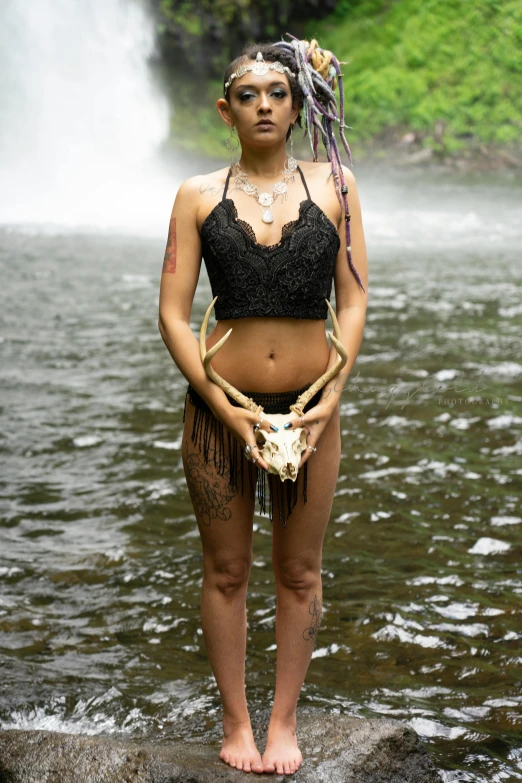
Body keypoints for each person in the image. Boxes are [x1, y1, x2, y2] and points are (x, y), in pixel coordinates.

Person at [158, 34, 368, 777]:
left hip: (313, 408)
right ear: (226, 109)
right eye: (247, 96)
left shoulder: (335, 187)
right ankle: (236, 721)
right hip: (220, 412)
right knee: (225, 571)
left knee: (300, 571)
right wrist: (226, 404)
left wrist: (330, 396)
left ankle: (284, 722)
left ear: (298, 101)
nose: (264, 105)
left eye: (277, 93)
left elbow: (355, 296)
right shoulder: (195, 195)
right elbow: (173, 315)